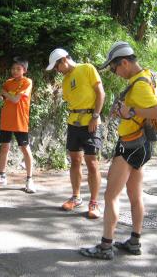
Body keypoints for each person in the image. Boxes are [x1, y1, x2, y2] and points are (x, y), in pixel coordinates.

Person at [80, 41, 157, 259]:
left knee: (110, 196)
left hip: (130, 144)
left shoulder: (140, 85)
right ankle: (135, 242)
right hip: (142, 144)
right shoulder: (146, 75)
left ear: (125, 62)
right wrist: (124, 110)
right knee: (135, 195)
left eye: (114, 68)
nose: (114, 72)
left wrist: (130, 110)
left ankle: (105, 247)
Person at [46, 48, 105, 219]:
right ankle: (76, 196)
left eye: (57, 67)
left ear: (63, 60)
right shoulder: (65, 81)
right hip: (73, 123)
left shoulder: (87, 68)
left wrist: (95, 116)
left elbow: (100, 93)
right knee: (75, 161)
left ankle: (94, 202)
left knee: (92, 162)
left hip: (91, 121)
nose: (57, 71)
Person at [0, 56, 36, 193]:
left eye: (18, 69)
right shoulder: (8, 82)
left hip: (20, 121)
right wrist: (2, 95)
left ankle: (29, 179)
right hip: (6, 121)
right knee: (4, 149)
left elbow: (15, 99)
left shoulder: (27, 82)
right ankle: (2, 176)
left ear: (24, 70)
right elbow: (2, 97)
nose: (15, 71)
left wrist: (4, 93)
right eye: (13, 68)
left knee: (25, 149)